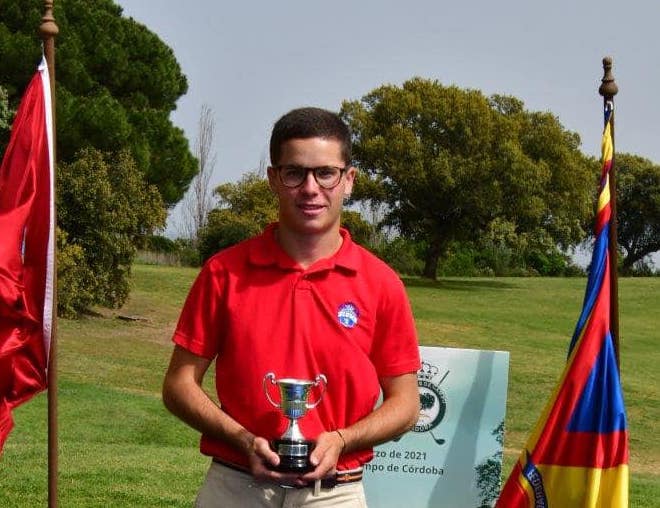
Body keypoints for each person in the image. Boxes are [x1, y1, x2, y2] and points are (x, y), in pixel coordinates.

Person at [162, 107, 421, 507]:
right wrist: (242, 439)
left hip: (336, 490)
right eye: (294, 173)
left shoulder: (381, 282)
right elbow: (179, 385)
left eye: (326, 173)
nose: (311, 188)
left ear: (348, 180)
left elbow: (405, 404)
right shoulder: (224, 272)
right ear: (273, 179)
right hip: (236, 485)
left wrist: (341, 440)